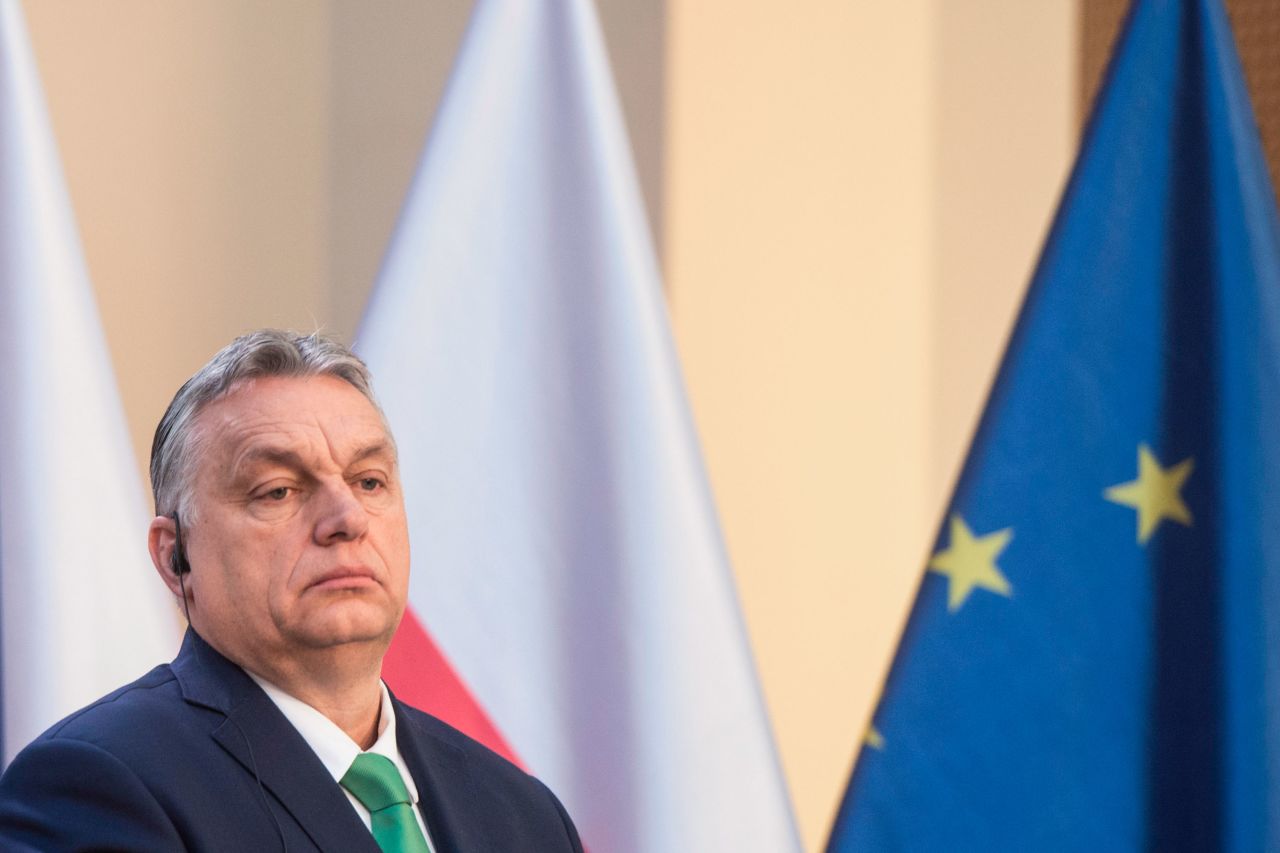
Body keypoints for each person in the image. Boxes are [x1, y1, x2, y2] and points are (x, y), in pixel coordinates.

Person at [0, 330, 583, 852]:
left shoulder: (525, 815)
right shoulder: (97, 784)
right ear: (175, 558)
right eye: (277, 490)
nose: (346, 517)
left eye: (369, 481)